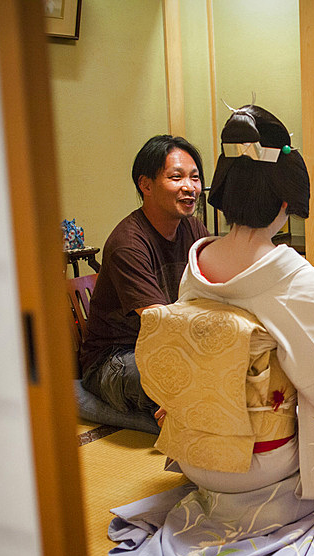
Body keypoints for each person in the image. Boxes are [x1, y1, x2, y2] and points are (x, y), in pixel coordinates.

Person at [106, 105, 314, 556]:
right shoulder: (295, 278)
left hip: (195, 450)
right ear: (285, 203)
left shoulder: (196, 264)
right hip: (262, 459)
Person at [79, 135, 208, 417]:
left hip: (167, 347)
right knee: (194, 382)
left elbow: (220, 288)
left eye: (195, 178)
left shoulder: (194, 229)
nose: (189, 187)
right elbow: (161, 322)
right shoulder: (128, 242)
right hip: (115, 357)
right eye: (176, 177)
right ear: (145, 184)